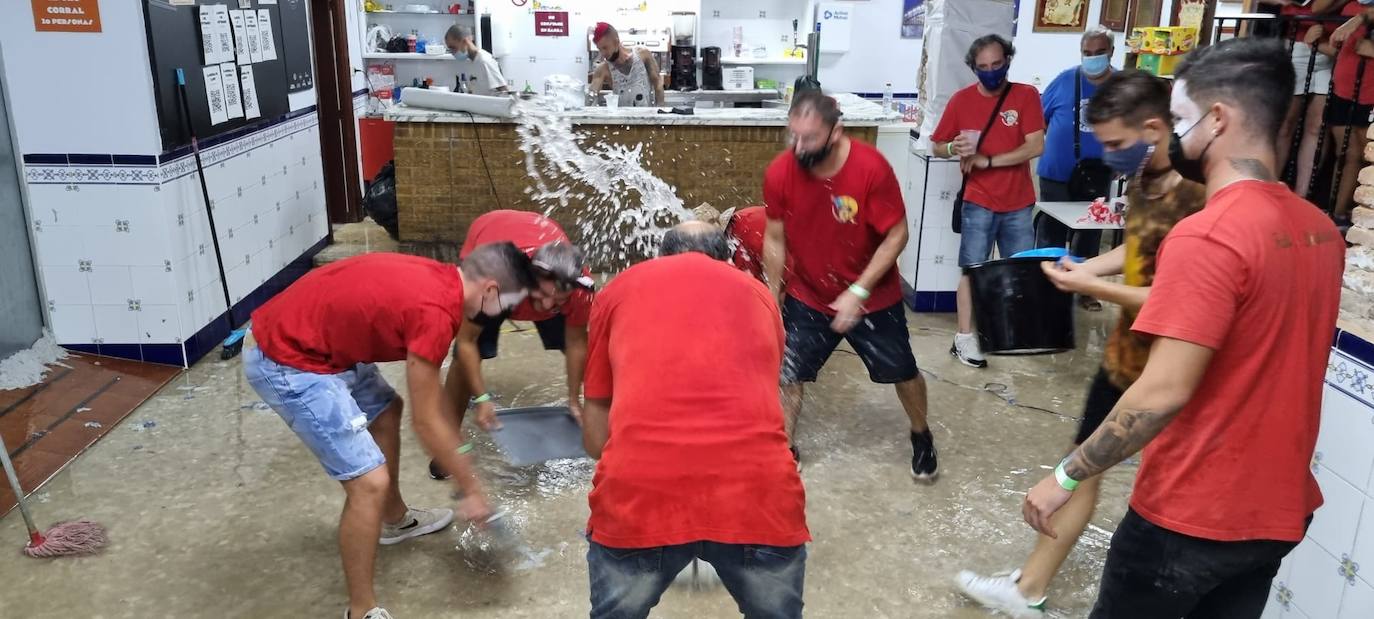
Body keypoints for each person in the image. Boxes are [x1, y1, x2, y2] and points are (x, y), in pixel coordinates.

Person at [1023, 38, 1344, 617]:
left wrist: (1066, 476)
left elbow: (1166, 388)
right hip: (1277, 513)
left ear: (1217, 119)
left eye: (1177, 117)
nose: (1169, 136)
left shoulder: (1208, 233)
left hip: (1192, 515)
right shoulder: (1319, 228)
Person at [955, 70, 1206, 618]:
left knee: (1114, 478)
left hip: (1170, 364)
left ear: (1155, 125)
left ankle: (1030, 591)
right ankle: (1029, 588)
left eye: (1116, 143)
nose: (1110, 155)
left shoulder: (1200, 195)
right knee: (1082, 465)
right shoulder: (1146, 177)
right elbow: (1141, 250)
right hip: (1126, 354)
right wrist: (1085, 266)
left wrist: (1092, 287)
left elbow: (1185, 301)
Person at [243, 248, 536, 619]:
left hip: (316, 340)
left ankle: (395, 521)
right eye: (508, 304)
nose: (503, 314)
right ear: (491, 290)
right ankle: (361, 609)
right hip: (285, 357)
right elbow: (427, 420)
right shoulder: (435, 313)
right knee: (369, 483)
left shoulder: (445, 280)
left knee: (385, 409)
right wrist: (472, 487)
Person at [581, 221, 809, 619]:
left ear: (661, 255)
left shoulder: (617, 291)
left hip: (640, 498)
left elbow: (596, 428)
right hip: (758, 499)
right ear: (725, 257)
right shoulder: (759, 295)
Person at [763, 90, 936, 479]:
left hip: (873, 296)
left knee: (903, 372)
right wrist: (772, 292)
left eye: (809, 138)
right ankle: (785, 448)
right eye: (794, 136)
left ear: (836, 131)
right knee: (789, 373)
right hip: (810, 292)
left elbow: (897, 235)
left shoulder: (870, 168)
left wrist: (858, 291)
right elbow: (774, 236)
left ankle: (921, 434)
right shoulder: (780, 172)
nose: (799, 147)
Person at [429, 210, 595, 480]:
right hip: (489, 231)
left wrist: (575, 400)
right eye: (544, 295)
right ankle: (446, 444)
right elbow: (466, 341)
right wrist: (482, 398)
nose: (549, 306)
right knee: (464, 358)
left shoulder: (577, 289)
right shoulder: (493, 281)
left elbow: (577, 343)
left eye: (561, 300)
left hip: (537, 238)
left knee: (579, 341)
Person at [931, 34, 1046, 368]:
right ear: (973, 68)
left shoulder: (1025, 96)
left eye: (997, 65)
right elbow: (936, 145)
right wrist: (954, 148)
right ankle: (964, 339)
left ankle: (1011, 334)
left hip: (1019, 202)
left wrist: (988, 160)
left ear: (1008, 61)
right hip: (978, 201)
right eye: (983, 67)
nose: (991, 72)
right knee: (973, 269)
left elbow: (1035, 145)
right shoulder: (960, 101)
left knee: (1019, 270)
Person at [1034, 26, 1115, 311]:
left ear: (1111, 53)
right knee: (1052, 233)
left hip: (1098, 175)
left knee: (1090, 232)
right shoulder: (1064, 81)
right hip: (1056, 174)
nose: (1093, 58)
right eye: (1087, 53)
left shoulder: (1122, 86)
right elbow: (1038, 121)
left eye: (1099, 53)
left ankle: (1085, 289)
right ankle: (1048, 287)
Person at [1267, 0, 1344, 198]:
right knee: (1285, 124)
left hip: (1333, 48)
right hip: (1298, 44)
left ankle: (1301, 196)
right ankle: (1269, 190)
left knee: (1317, 127)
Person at [1325, 0, 1374, 223]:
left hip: (1369, 90)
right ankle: (1335, 213)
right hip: (1343, 87)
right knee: (1346, 154)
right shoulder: (1353, 4)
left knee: (1367, 157)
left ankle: (1360, 220)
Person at [588, 21, 665, 107]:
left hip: (647, 118)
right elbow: (591, 95)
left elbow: (658, 83)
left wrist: (660, 111)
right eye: (600, 49)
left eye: (605, 48)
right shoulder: (603, 69)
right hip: (622, 119)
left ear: (616, 42)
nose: (602, 53)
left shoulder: (643, 55)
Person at [444, 25, 509, 96]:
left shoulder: (485, 61)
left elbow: (504, 91)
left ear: (465, 42)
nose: (452, 52)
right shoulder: (466, 62)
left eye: (453, 48)